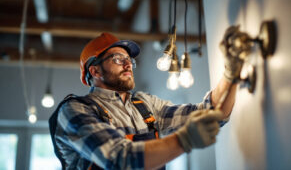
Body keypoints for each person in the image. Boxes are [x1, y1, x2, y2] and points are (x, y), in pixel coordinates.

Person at [51, 30, 243, 170]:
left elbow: (213, 113)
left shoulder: (145, 105)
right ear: (95, 71)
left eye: (129, 59)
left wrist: (231, 75)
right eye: (118, 59)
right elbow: (117, 159)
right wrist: (185, 139)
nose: (128, 64)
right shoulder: (74, 110)